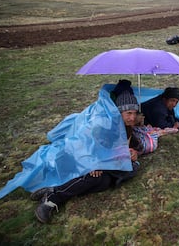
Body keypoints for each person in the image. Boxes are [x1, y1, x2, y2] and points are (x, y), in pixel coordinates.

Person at [31, 88, 143, 224]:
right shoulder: (105, 127)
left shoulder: (127, 127)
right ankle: (51, 200)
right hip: (82, 159)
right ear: (119, 112)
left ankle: (53, 190)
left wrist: (134, 153)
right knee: (94, 177)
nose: (132, 117)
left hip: (107, 166)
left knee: (104, 182)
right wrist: (94, 164)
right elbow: (86, 147)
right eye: (128, 113)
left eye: (134, 113)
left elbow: (138, 146)